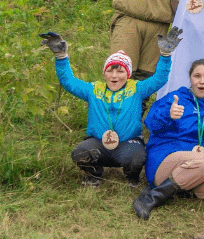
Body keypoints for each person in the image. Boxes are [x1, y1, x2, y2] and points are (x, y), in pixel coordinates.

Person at [42, 28, 182, 188]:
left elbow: (160, 79)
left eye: (120, 71)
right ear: (104, 73)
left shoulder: (137, 89)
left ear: (128, 74)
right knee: (79, 153)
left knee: (137, 157)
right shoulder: (93, 90)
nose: (114, 75)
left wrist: (165, 55)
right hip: (98, 142)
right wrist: (61, 57)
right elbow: (69, 81)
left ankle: (132, 177)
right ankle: (94, 175)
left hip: (128, 142)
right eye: (110, 70)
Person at [134, 59, 204, 220]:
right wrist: (168, 115)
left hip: (196, 164)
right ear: (190, 78)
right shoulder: (175, 98)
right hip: (166, 158)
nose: (201, 81)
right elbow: (150, 123)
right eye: (197, 76)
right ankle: (151, 197)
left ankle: (178, 189)